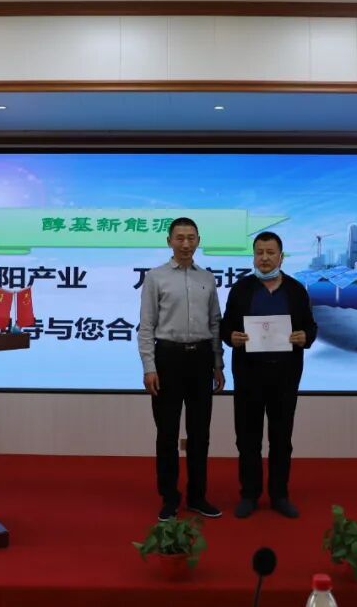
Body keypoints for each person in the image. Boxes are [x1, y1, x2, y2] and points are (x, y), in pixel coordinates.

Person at [221, 231, 317, 518]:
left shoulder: (296, 290)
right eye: (259, 252)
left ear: (281, 257)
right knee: (247, 438)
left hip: (285, 376)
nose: (264, 258)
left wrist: (304, 337)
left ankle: (279, 495)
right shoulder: (241, 289)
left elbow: (311, 327)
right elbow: (225, 327)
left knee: (281, 438)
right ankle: (249, 494)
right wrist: (231, 337)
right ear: (253, 256)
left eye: (270, 252)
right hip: (248, 376)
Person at [138, 217, 226, 521]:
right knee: (167, 433)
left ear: (198, 241)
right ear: (169, 241)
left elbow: (215, 323)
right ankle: (169, 498)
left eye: (191, 238)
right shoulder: (155, 277)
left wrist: (218, 363)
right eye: (180, 238)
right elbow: (146, 326)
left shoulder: (208, 278)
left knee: (200, 433)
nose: (186, 244)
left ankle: (198, 496)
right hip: (168, 359)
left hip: (201, 359)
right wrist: (149, 366)